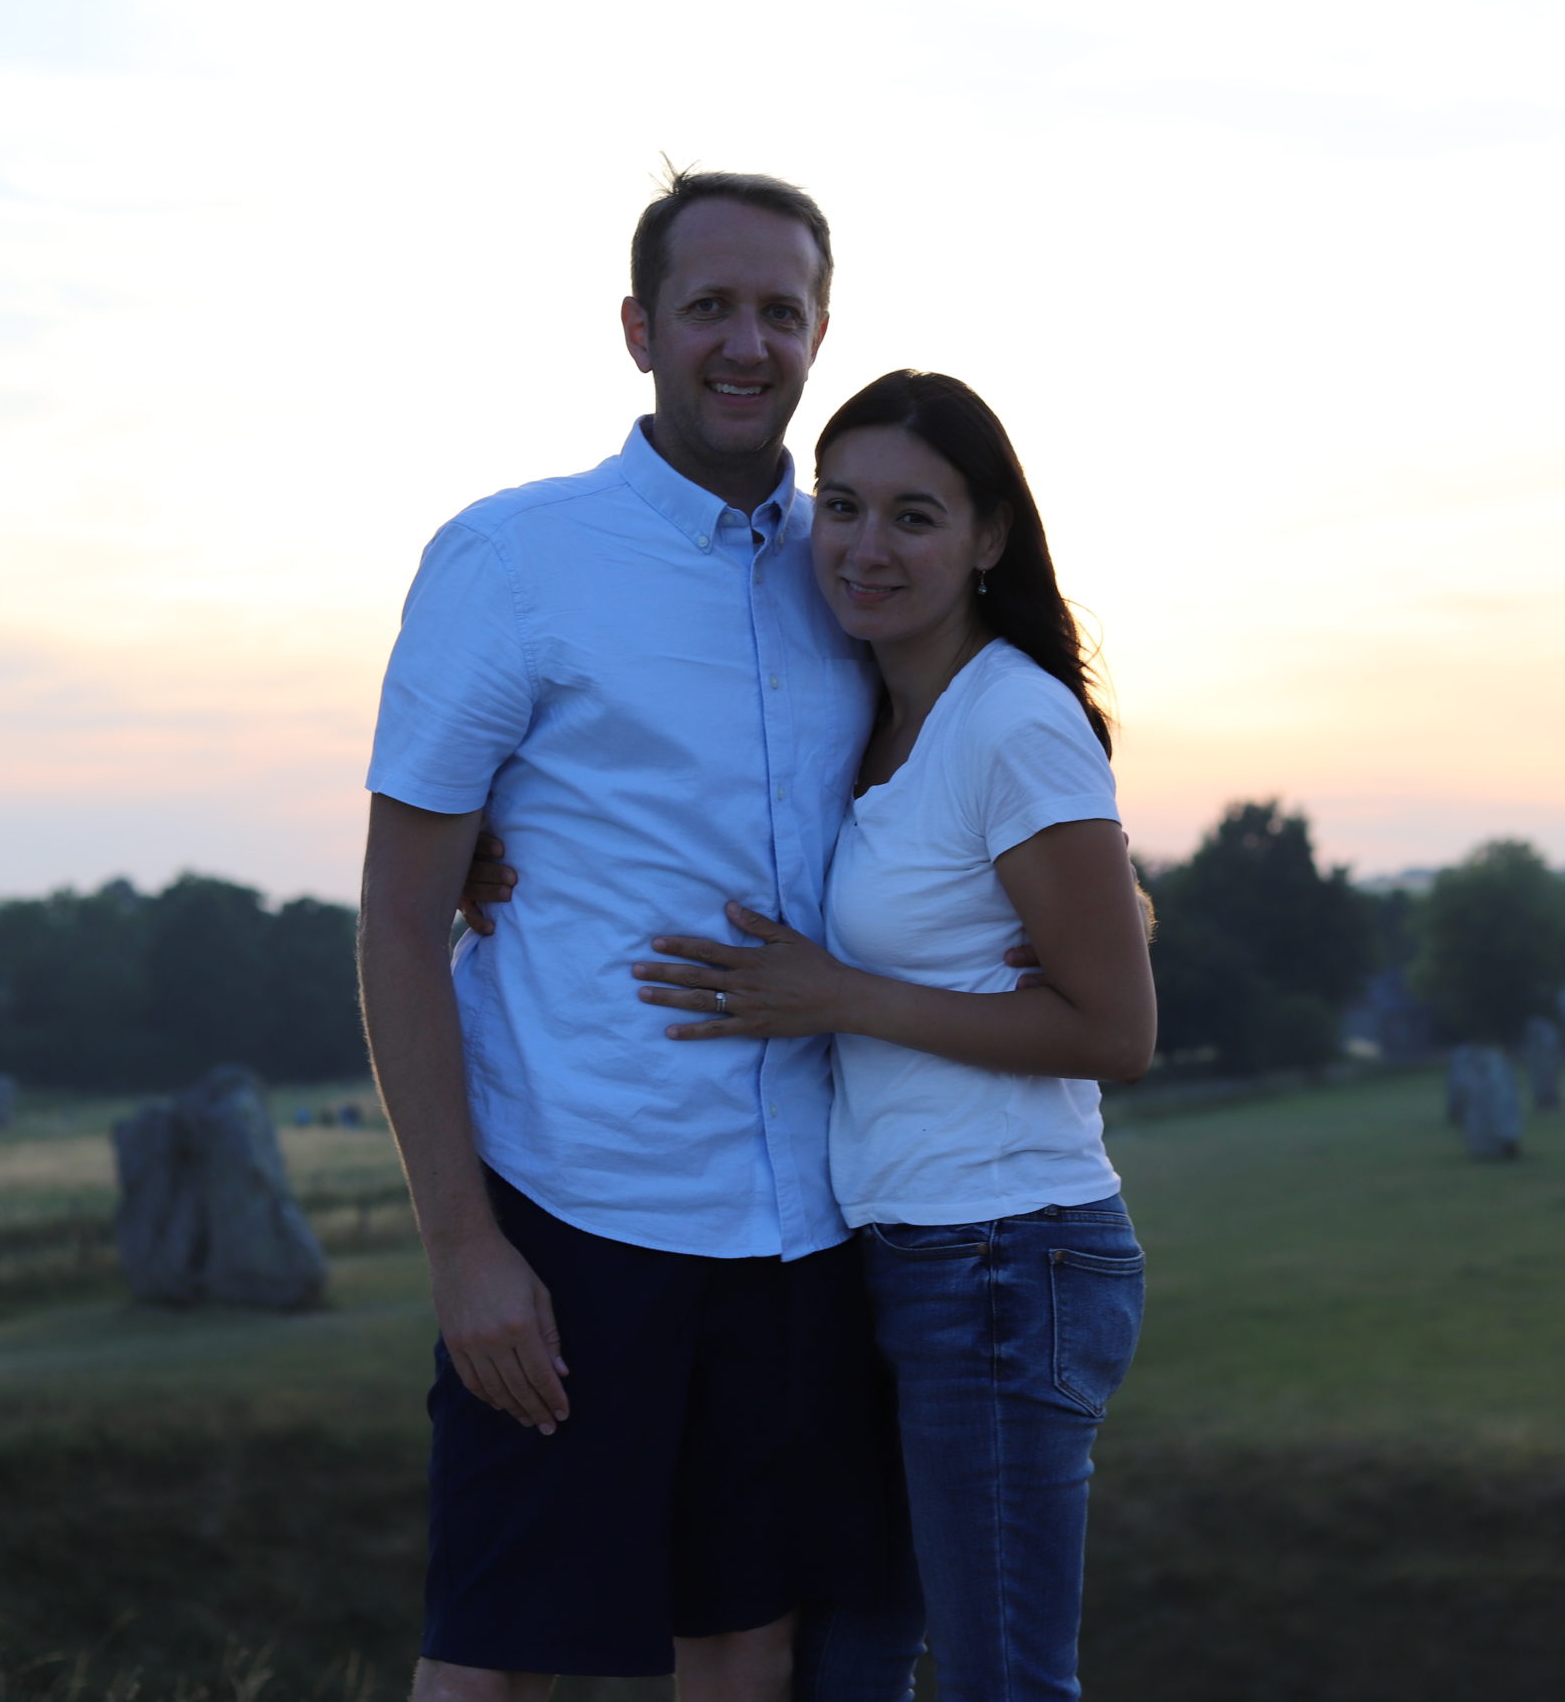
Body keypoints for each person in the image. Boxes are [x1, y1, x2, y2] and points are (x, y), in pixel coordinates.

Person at [360, 169, 922, 1702]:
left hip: (803, 1225)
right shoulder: (513, 559)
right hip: (568, 1206)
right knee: (495, 1659)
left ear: (819, 334)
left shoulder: (861, 566)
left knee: (744, 1643)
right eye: (710, 308)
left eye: (780, 312)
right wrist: (464, 1247)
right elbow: (403, 915)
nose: (747, 343)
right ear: (639, 330)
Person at [627, 369, 1158, 1702]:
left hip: (1003, 1251)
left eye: (915, 517)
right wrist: (492, 847)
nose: (867, 548)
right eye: (845, 508)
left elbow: (1115, 1026)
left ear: (989, 538)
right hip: (895, 1252)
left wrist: (839, 997)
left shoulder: (1013, 721)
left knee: (1002, 1681)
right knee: (849, 1666)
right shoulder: (869, 713)